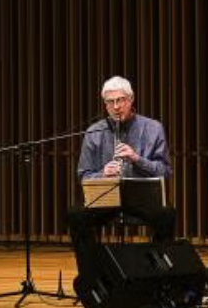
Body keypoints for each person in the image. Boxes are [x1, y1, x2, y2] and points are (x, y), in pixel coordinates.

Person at [69, 76, 175, 267]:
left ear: (131, 99)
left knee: (167, 215)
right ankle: (92, 274)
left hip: (141, 199)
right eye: (110, 102)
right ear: (105, 105)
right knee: (76, 215)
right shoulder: (94, 132)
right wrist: (103, 173)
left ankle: (155, 271)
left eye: (121, 100)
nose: (116, 107)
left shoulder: (153, 128)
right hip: (106, 199)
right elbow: (84, 175)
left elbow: (165, 171)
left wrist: (137, 159)